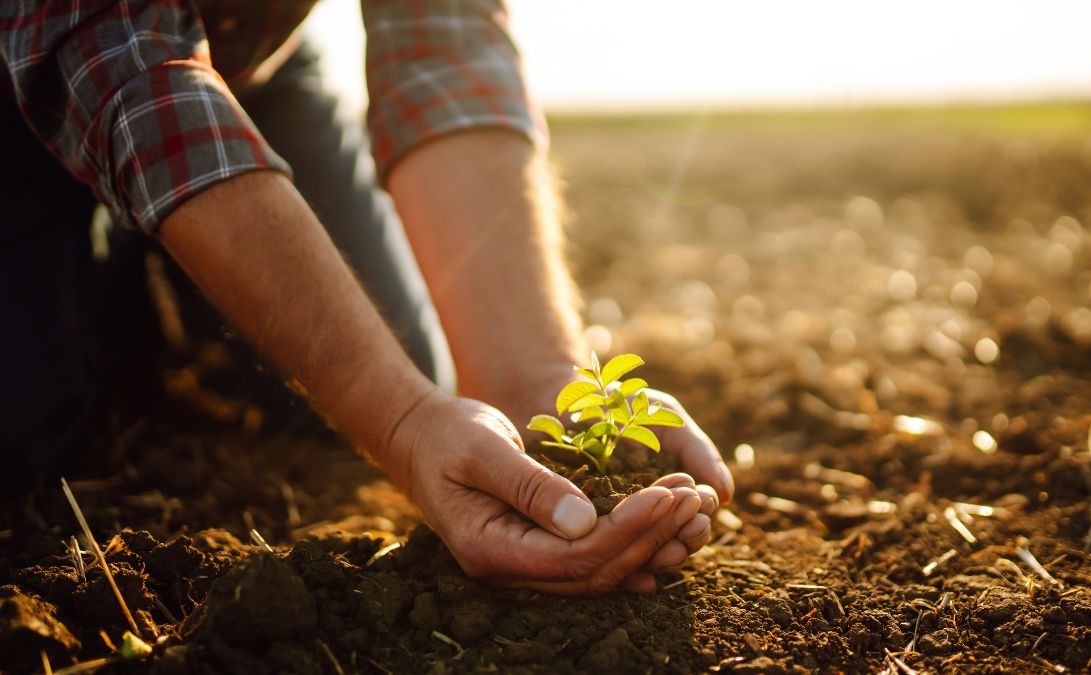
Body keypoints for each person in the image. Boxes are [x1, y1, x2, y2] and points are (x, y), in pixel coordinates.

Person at [0, 1, 734, 596]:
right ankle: (125, 253)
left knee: (397, 365)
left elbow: (443, 45)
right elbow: (122, 63)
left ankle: (155, 238)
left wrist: (533, 376)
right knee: (25, 429)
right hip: (57, 54)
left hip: (240, 57)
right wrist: (401, 418)